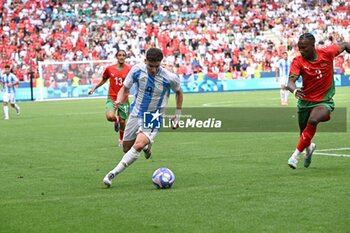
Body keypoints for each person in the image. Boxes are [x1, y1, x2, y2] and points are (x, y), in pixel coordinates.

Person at [103, 47, 183, 187]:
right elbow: (125, 89)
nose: (153, 70)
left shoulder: (169, 77)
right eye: (150, 66)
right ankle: (147, 146)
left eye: (156, 66)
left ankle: (112, 174)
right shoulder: (136, 70)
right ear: (145, 61)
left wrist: (177, 116)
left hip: (153, 116)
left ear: (161, 63)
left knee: (138, 145)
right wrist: (118, 100)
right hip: (136, 112)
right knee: (126, 148)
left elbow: (179, 92)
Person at [286, 33, 350, 169]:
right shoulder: (298, 61)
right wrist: (295, 90)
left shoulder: (326, 53)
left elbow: (345, 45)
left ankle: (295, 156)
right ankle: (309, 150)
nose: (301, 51)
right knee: (304, 135)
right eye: (299, 48)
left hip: (324, 101)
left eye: (304, 48)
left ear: (312, 46)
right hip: (305, 102)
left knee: (313, 120)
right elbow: (290, 82)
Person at [88, 50, 132, 146]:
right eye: (119, 55)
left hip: (123, 99)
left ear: (125, 57)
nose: (121, 57)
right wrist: (94, 88)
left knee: (123, 121)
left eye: (123, 55)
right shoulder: (109, 69)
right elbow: (104, 80)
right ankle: (115, 119)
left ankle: (121, 139)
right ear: (116, 57)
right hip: (112, 97)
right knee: (110, 117)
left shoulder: (129, 69)